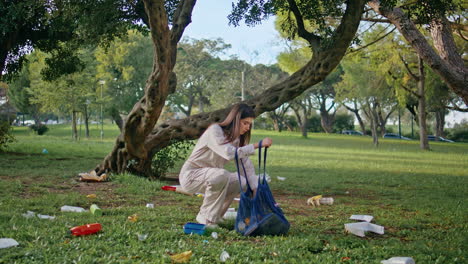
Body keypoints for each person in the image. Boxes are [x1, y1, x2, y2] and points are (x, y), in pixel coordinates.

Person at [179, 103, 272, 227]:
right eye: (245, 123)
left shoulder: (236, 140)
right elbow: (229, 153)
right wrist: (257, 145)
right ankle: (206, 217)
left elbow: (246, 166)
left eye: (250, 124)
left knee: (241, 181)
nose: (248, 128)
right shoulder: (215, 130)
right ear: (235, 120)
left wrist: (255, 189)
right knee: (222, 175)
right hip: (191, 175)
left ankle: (216, 216)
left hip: (211, 176)